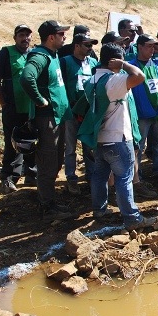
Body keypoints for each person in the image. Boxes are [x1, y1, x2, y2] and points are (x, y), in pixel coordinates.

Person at [77, 43, 157, 230]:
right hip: (118, 137)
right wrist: (125, 65)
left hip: (100, 138)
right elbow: (140, 76)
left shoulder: (92, 80)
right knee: (124, 178)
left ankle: (99, 209)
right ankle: (132, 218)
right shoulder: (114, 81)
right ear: (114, 61)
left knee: (99, 175)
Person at [20, 20, 75, 221]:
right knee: (48, 162)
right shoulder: (40, 56)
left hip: (57, 117)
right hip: (47, 120)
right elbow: (27, 78)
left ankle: (49, 200)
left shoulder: (52, 55)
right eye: (61, 34)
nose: (64, 37)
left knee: (55, 160)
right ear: (51, 37)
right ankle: (47, 207)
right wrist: (39, 100)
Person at [0, 24, 37, 194]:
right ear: (15, 37)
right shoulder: (5, 53)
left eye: (28, 35)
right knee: (13, 142)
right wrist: (3, 104)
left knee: (33, 141)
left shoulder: (34, 54)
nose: (25, 38)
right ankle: (9, 178)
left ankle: (32, 174)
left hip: (32, 108)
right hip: (12, 107)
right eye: (21, 35)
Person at [128, 34, 158, 184]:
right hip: (141, 115)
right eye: (149, 46)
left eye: (153, 46)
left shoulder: (157, 64)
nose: (152, 49)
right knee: (139, 146)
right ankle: (137, 175)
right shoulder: (131, 66)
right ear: (139, 47)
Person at [60, 33, 99, 195]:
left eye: (91, 45)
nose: (90, 48)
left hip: (88, 113)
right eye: (87, 45)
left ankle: (91, 176)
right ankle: (71, 178)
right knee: (70, 147)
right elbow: (59, 85)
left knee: (89, 145)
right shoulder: (66, 62)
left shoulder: (94, 63)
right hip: (71, 112)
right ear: (76, 46)